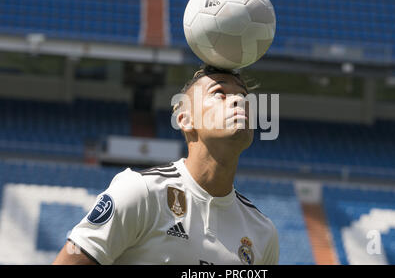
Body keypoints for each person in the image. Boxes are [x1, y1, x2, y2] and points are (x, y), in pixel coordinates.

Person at [53, 65, 279, 265]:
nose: (239, 100)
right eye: (219, 93)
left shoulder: (263, 232)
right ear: (185, 119)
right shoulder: (141, 193)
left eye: (243, 95)